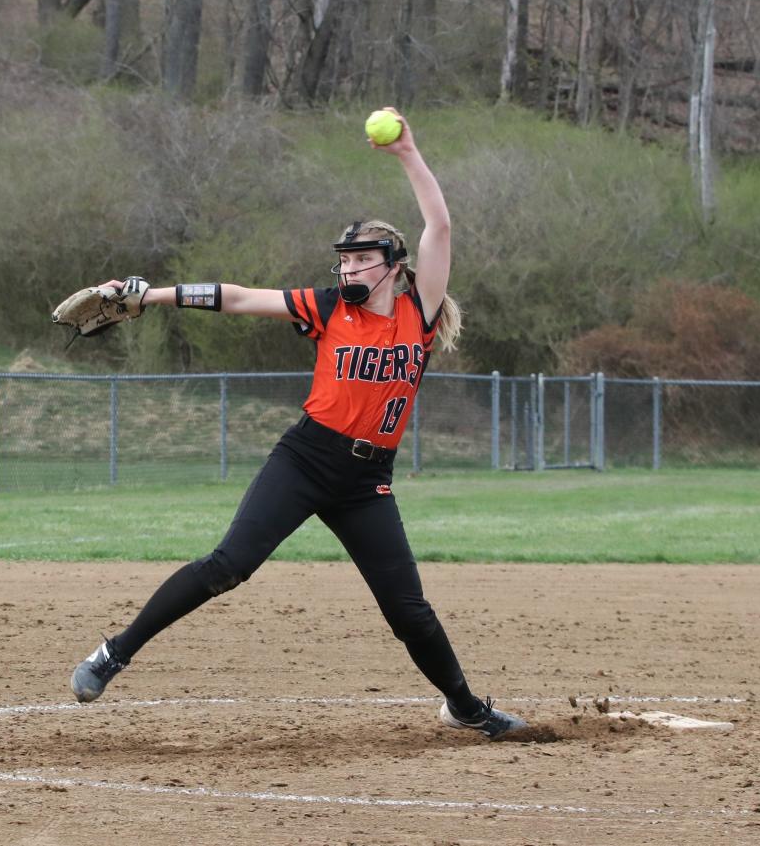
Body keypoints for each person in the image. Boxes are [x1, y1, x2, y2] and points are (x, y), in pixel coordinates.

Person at [70, 108, 527, 740]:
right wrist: (152, 294)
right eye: (343, 261)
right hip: (306, 459)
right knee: (229, 564)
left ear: (393, 264)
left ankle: (465, 707)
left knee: (408, 612)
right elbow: (236, 297)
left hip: (368, 481)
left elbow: (440, 224)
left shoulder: (418, 312)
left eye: (360, 260)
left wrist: (408, 153)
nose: (347, 270)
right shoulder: (327, 307)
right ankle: (113, 652)